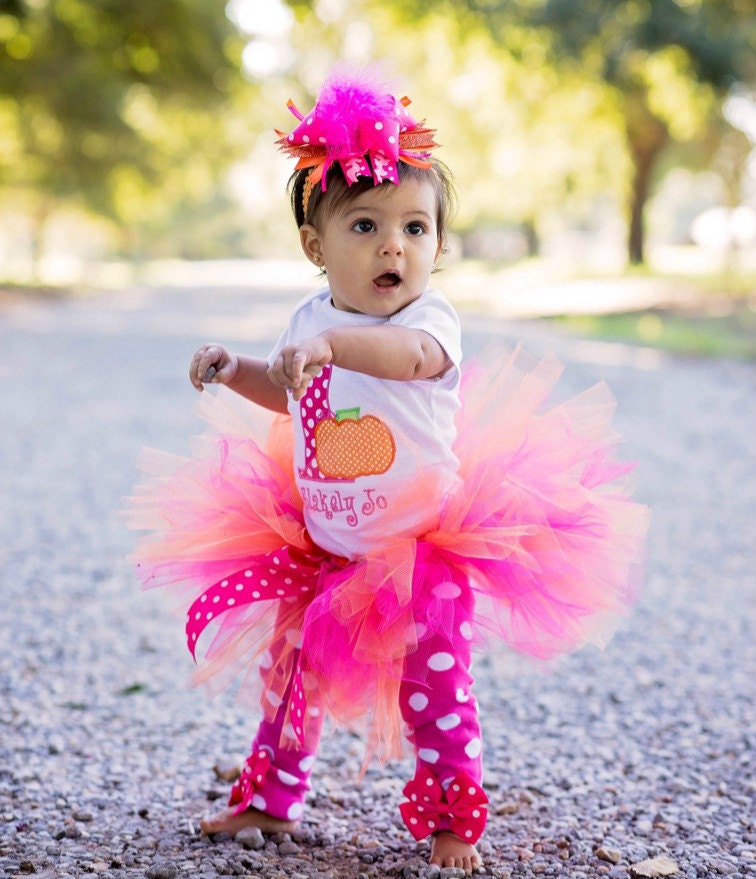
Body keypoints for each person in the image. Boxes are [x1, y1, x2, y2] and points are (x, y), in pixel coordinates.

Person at [130, 64, 648, 875]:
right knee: (289, 676)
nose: (393, 247)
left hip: (423, 547)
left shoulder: (429, 321)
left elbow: (406, 360)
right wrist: (240, 368)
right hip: (328, 545)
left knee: (436, 690)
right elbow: (290, 389)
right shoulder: (312, 319)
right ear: (316, 244)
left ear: (438, 247)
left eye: (415, 229)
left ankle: (451, 812)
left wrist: (331, 347)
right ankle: (270, 794)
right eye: (365, 226)